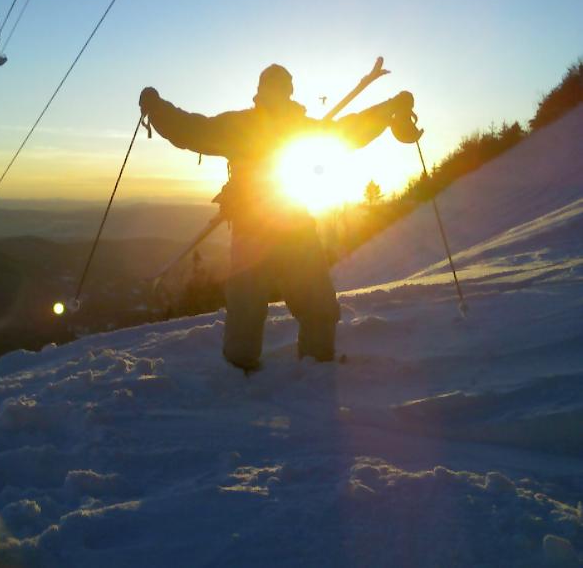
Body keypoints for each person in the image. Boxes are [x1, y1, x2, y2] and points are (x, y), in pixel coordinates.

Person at [139, 64, 420, 373]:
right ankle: (309, 364)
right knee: (308, 306)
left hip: (265, 230)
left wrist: (157, 108)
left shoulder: (244, 126)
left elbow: (193, 130)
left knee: (262, 308)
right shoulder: (293, 127)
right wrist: (389, 109)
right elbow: (349, 131)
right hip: (289, 229)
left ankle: (248, 372)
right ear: (286, 91)